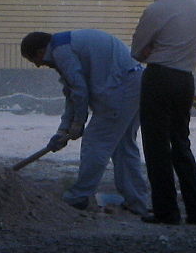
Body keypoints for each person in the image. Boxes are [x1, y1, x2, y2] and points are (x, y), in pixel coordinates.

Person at [20, 29, 149, 215]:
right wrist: (63, 130)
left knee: (95, 142)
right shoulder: (64, 45)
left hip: (121, 86)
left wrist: (78, 124)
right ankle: (136, 201)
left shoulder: (60, 51)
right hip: (133, 81)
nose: (39, 66)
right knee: (123, 146)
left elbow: (79, 90)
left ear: (40, 52)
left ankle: (78, 197)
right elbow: (72, 93)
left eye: (35, 61)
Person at [131, 0, 196, 225]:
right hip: (185, 79)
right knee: (181, 143)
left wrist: (153, 49)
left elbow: (137, 50)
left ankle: (166, 210)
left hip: (159, 79)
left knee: (156, 146)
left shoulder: (156, 9)